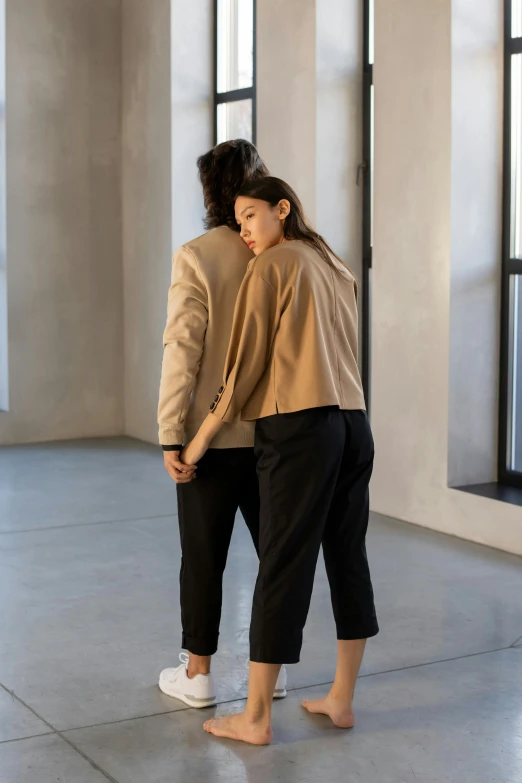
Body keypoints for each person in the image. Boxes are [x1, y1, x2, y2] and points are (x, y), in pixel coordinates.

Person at [181, 176, 379, 744]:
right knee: (347, 556)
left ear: (282, 210)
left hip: (297, 427)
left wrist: (197, 442)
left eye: (249, 217)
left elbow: (240, 369)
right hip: (354, 422)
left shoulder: (272, 266)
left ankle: (257, 718)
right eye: (238, 219)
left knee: (282, 563)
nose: (242, 230)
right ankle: (341, 700)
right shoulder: (334, 265)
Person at [157, 142, 287, 708]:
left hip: (208, 441)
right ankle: (275, 674)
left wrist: (170, 433)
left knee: (203, 556)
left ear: (209, 190)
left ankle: (199, 675)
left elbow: (181, 348)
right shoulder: (286, 253)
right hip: (278, 436)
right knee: (276, 556)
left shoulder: (197, 255)